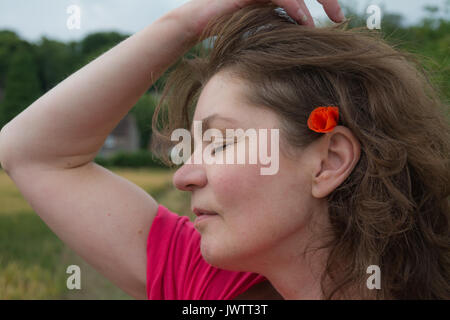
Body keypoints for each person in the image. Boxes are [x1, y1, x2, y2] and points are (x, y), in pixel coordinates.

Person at [0, 0, 448, 300]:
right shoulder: (216, 288)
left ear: (329, 161)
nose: (183, 176)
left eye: (221, 142)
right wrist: (187, 23)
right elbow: (29, 152)